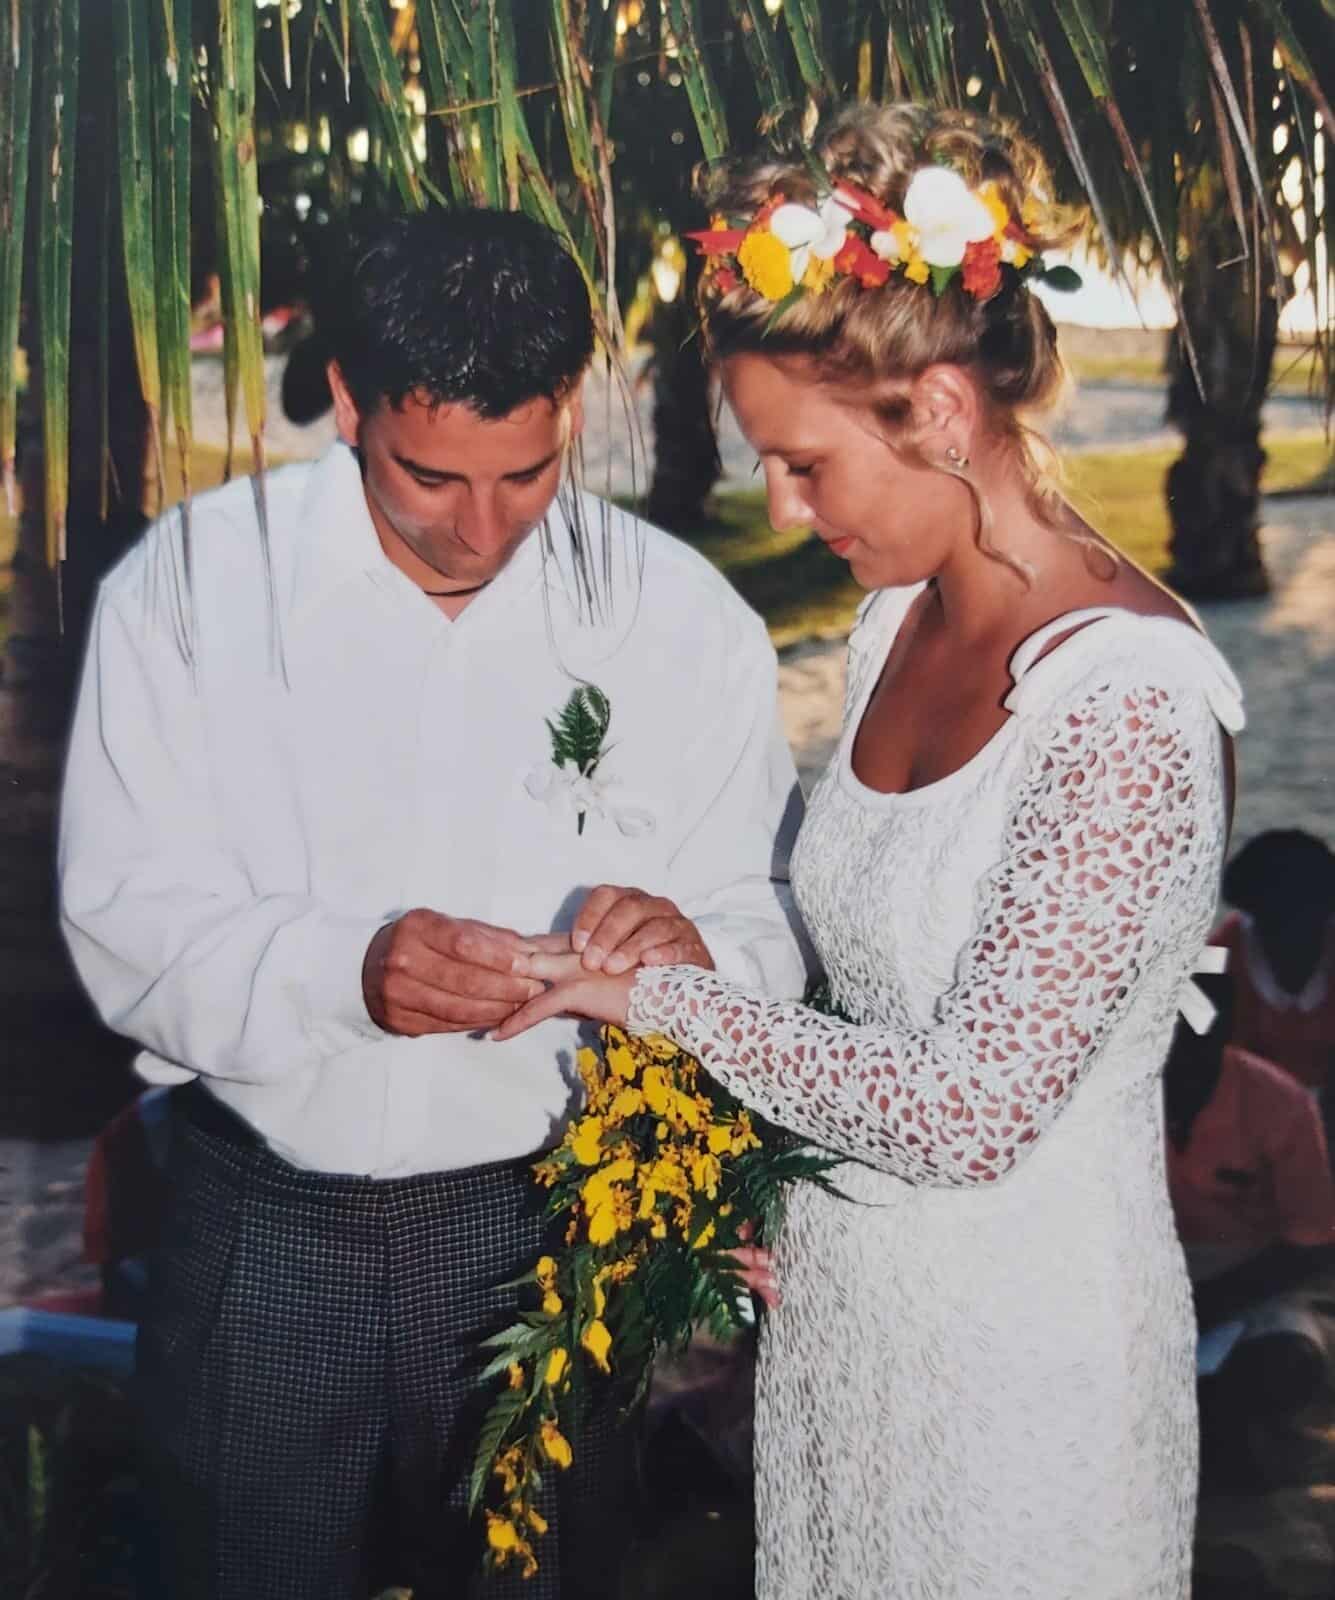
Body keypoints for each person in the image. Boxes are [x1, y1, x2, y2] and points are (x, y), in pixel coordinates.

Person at [493, 103, 1245, 1598]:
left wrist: (651, 1004)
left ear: (943, 414)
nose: (778, 506)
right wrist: (765, 1157)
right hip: (846, 1336)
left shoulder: (1128, 707)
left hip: (1025, 1371)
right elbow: (871, 978)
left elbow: (969, 1110)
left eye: (803, 464)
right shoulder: (898, 618)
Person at [58, 208, 811, 1600]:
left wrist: (701, 955)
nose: (481, 527)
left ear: (571, 407)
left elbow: (769, 915)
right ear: (343, 396)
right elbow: (122, 920)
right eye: (427, 476)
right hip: (264, 1222)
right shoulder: (189, 588)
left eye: (526, 474)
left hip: (552, 1231)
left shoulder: (677, 616)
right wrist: (341, 975)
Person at [1163, 970, 1335, 1482]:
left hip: (1245, 1281)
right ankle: (1213, 1431)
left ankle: (1206, 1426)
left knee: (1291, 1363)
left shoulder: (1279, 1103)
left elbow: (1311, 1242)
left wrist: (1205, 1304)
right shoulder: (1113, 1093)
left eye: (1194, 1039)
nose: (1176, 1054)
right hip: (1140, 1272)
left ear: (1221, 1037)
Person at [1212, 829, 1335, 1096]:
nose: (1293, 932)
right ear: (1254, 915)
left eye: (1306, 920)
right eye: (1279, 921)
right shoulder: (1217, 957)